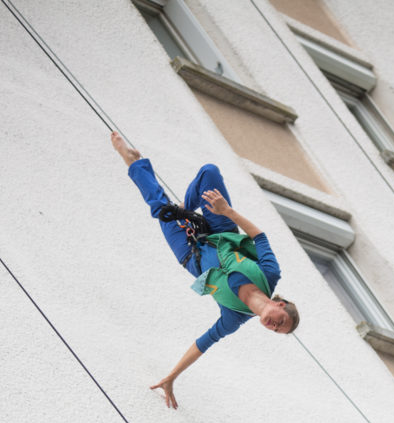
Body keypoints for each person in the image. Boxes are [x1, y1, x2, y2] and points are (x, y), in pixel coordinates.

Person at [111, 133, 299, 409]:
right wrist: (227, 211)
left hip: (190, 253)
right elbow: (259, 236)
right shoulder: (270, 274)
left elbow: (201, 345)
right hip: (221, 230)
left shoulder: (234, 317)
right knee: (209, 173)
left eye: (276, 331)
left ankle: (133, 162)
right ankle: (184, 210)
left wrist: (171, 377)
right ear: (280, 304)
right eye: (281, 322)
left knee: (159, 207)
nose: (273, 326)